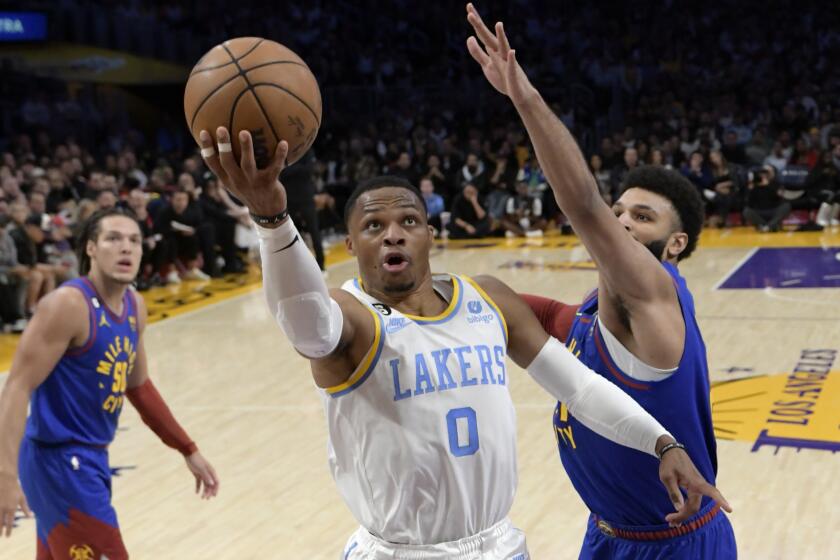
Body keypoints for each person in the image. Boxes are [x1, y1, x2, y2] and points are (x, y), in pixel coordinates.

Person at [198, 126, 729, 559]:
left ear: (431, 234)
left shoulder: (486, 300)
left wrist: (664, 443)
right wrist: (272, 219)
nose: (393, 233)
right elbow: (302, 321)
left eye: (409, 220)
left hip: (499, 545)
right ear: (352, 243)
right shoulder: (349, 316)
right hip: (400, 552)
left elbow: (582, 391)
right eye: (373, 225)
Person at [466, 4, 737, 558]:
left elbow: (583, 205)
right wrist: (458, 297)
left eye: (642, 218)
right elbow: (550, 321)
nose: (621, 223)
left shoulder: (656, 293)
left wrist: (524, 98)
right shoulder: (604, 311)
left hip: (674, 543)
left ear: (675, 244)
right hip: (607, 534)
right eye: (621, 211)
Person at [0, 207, 219, 559]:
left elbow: (139, 387)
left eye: (134, 240)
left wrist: (187, 448)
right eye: (113, 239)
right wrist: (4, 475)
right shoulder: (67, 305)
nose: (126, 248)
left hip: (91, 458)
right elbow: (15, 387)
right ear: (90, 248)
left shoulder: (135, 305)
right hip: (58, 462)